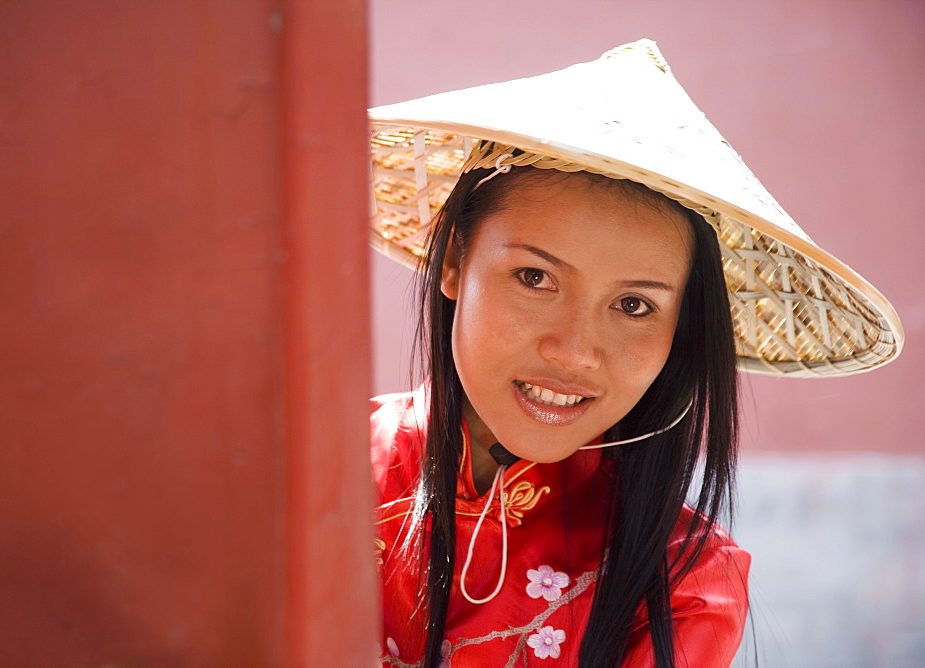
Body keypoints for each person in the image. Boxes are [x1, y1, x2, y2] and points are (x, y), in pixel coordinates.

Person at [367, 40, 903, 667]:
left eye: (633, 306)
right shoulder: (305, 469)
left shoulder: (685, 586)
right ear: (456, 260)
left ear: (681, 328)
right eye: (535, 278)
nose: (573, 353)